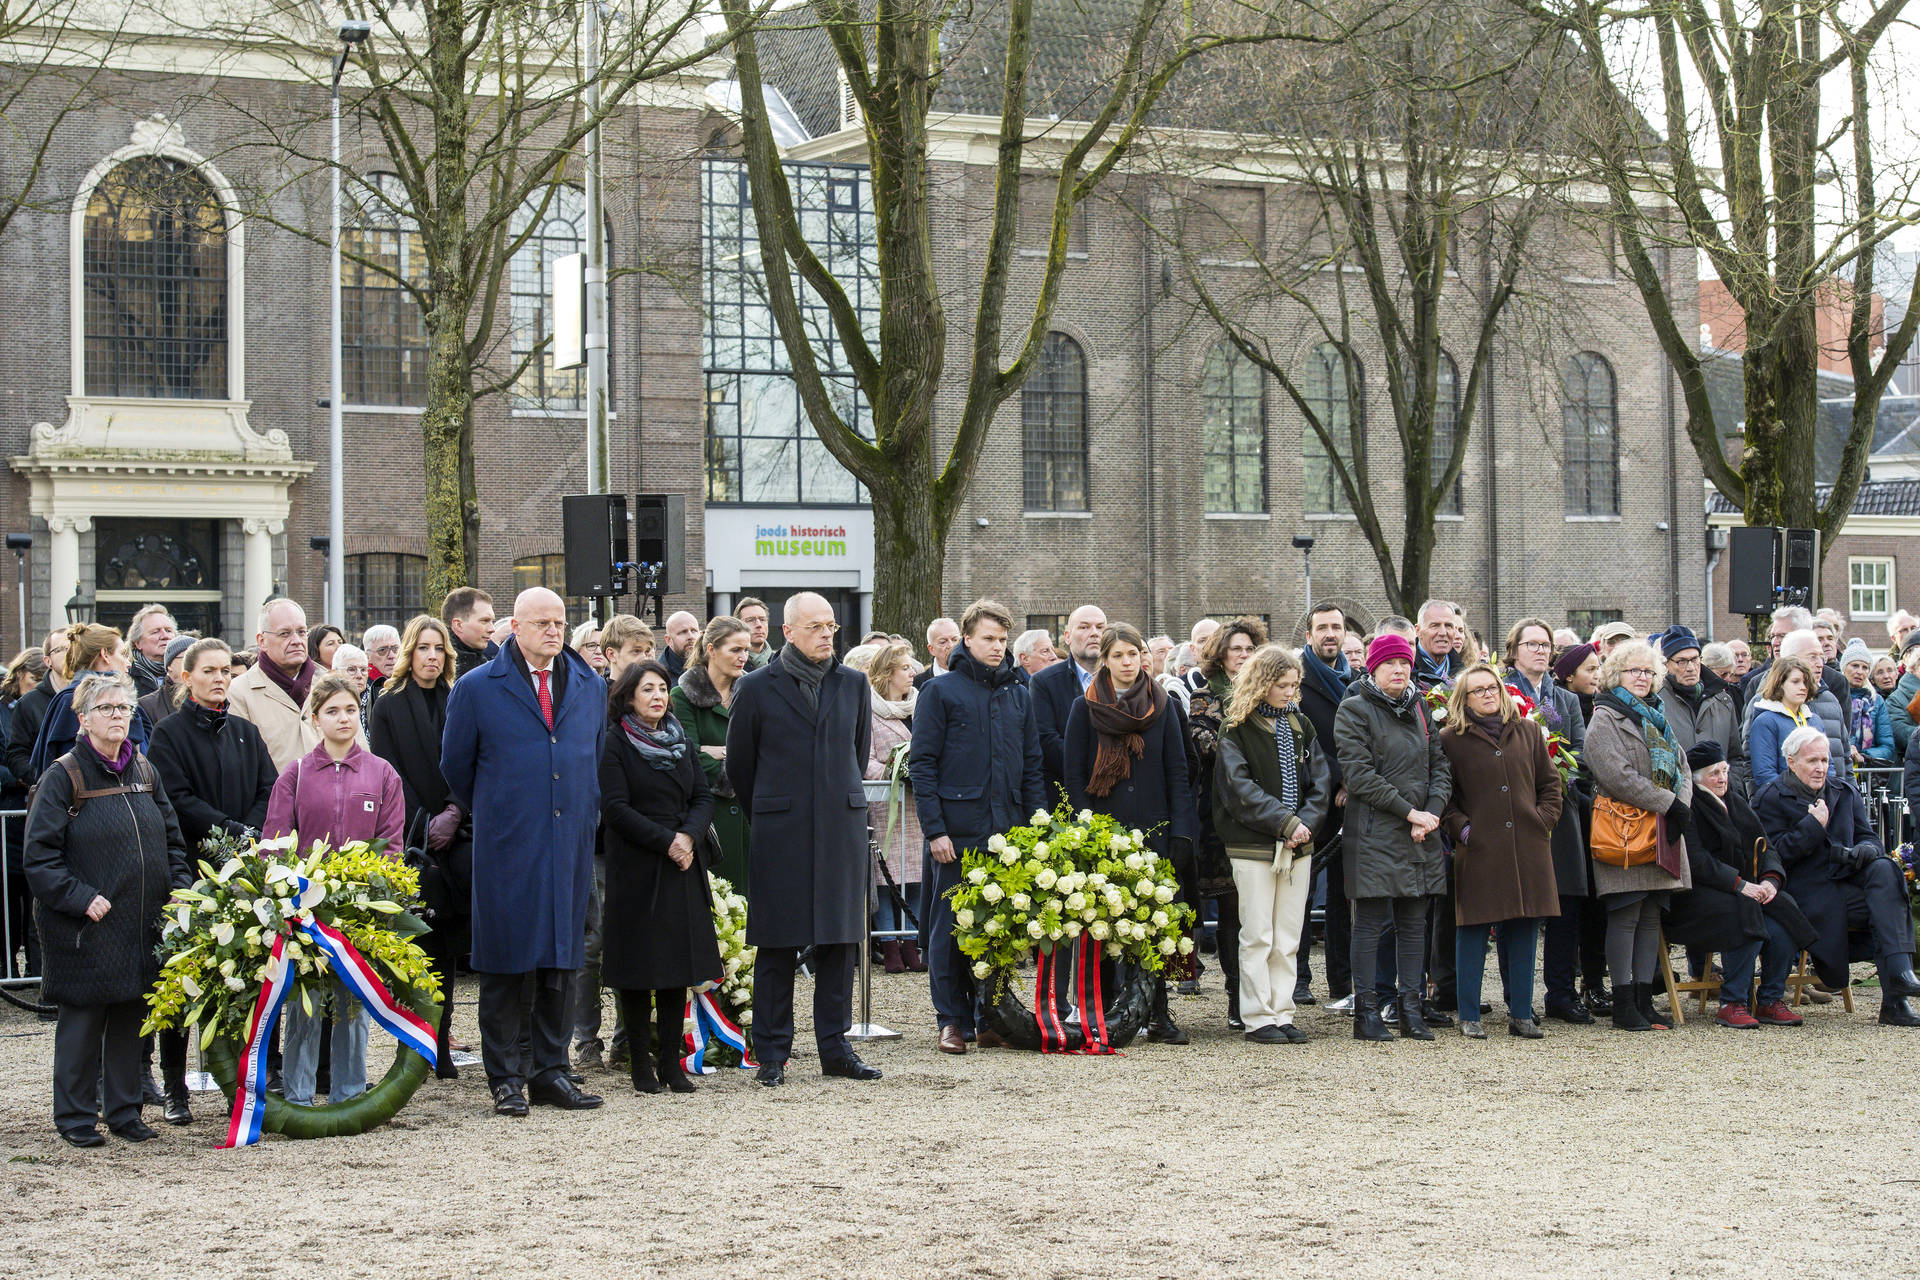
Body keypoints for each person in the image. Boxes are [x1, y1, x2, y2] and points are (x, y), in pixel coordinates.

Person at [441, 588, 607, 1115]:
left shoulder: (589, 685)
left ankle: (551, 1070)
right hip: (508, 844)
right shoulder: (476, 688)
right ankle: (506, 1076)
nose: (554, 631)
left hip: (569, 842)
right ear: (515, 627)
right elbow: (456, 767)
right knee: (506, 961)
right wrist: (504, 809)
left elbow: (594, 757)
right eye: (541, 623)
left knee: (562, 959)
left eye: (560, 622)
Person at [24, 671, 190, 1146]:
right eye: (107, 708)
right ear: (83, 718)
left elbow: (172, 841)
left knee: (130, 1021)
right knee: (82, 1023)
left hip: (141, 922)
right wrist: (79, 897)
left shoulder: (144, 770)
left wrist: (178, 888)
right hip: (86, 926)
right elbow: (39, 857)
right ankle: (76, 1116)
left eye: (124, 708)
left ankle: (124, 1111)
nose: (118, 716)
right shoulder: (64, 776)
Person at [725, 592, 880, 1086]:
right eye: (815, 627)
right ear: (787, 631)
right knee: (777, 944)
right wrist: (774, 809)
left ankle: (836, 1049)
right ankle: (772, 1052)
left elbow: (857, 753)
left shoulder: (853, 683)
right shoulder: (755, 687)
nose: (826, 634)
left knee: (838, 943)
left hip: (839, 829)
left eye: (831, 626)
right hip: (781, 832)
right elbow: (740, 765)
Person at [144, 636, 277, 1122]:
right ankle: (175, 1087)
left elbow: (268, 786)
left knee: (242, 976)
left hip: (243, 869)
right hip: (192, 867)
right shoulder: (168, 734)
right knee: (186, 980)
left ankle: (238, 1082)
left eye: (225, 671)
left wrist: (251, 830)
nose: (220, 678)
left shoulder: (245, 730)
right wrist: (230, 829)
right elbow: (177, 797)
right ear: (187, 677)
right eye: (209, 671)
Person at [262, 674, 406, 1107]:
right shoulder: (296, 774)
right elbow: (276, 842)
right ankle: (298, 1097)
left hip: (358, 909)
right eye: (332, 711)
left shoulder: (382, 773)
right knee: (304, 1003)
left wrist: (371, 891)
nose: (343, 718)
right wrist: (292, 893)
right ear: (315, 718)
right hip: (306, 911)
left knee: (351, 1003)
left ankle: (348, 1094)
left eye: (350, 710)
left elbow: (391, 844)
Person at [909, 600, 1044, 1054]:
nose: (997, 646)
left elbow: (1032, 767)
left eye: (1003, 639)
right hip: (957, 832)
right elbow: (922, 764)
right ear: (967, 639)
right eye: (988, 638)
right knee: (949, 930)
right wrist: (935, 830)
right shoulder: (939, 691)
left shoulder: (1018, 694)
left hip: (1007, 833)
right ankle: (951, 1020)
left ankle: (991, 1017)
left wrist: (1034, 830)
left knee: (998, 929)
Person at [1064, 622, 1198, 1045]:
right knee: (1103, 924)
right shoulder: (1084, 707)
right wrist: (1087, 830)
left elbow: (1178, 770)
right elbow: (1074, 775)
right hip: (1106, 830)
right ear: (1104, 660)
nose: (1128, 662)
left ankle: (1156, 1011)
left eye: (1134, 653)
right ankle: (1102, 1012)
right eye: (1118, 655)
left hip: (1154, 828)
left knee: (1154, 924)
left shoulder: (1163, 704)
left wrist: (1182, 831)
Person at [599, 660, 724, 1095]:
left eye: (662, 688)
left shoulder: (680, 740)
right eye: (647, 689)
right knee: (638, 970)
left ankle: (671, 1063)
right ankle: (640, 1064)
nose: (657, 696)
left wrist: (687, 837)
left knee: (677, 967)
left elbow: (702, 796)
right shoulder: (615, 742)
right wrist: (667, 841)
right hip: (637, 866)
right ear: (628, 697)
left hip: (682, 865)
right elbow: (615, 808)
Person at [1755, 727, 1920, 1026]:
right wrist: (1813, 827)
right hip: (1804, 892)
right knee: (1884, 910)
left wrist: (1865, 851)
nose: (1820, 768)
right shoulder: (1770, 797)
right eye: (1812, 761)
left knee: (1886, 871)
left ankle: (1897, 990)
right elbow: (1772, 857)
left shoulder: (1843, 791)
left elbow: (1870, 838)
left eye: (1824, 760)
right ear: (1791, 762)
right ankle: (1897, 989)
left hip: (1845, 882)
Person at [1333, 633, 1451, 1042]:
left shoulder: (1420, 707)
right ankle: (1366, 1012)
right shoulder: (1354, 708)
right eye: (1390, 663)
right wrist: (1409, 812)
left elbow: (1440, 766)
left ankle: (1411, 1009)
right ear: (1373, 667)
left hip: (1420, 832)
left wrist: (1430, 814)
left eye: (1404, 662)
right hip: (1375, 832)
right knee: (1369, 924)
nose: (1399, 670)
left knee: (1414, 924)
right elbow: (1359, 775)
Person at [1214, 645, 1330, 1044]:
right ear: (1262, 683)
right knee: (1258, 933)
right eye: (1282, 685)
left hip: (1298, 845)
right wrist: (1285, 822)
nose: (1289, 692)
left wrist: (1304, 824)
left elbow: (1320, 781)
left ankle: (1282, 1011)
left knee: (1288, 937)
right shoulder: (1236, 728)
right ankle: (1257, 1016)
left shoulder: (1301, 724)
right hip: (1253, 845)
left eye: (1294, 685)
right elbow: (1238, 787)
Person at [1438, 666, 1562, 1039]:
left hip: (1528, 845)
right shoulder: (1450, 739)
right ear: (1463, 699)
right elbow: (1444, 796)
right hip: (1480, 848)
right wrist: (1464, 829)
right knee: (1472, 929)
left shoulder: (1528, 731)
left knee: (1525, 928)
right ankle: (1469, 1015)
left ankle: (1521, 1014)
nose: (1488, 694)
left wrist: (1543, 820)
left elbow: (1550, 783)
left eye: (1492, 687)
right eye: (1478, 690)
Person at [367, 615, 467, 1077]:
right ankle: (415, 1045)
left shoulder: (458, 697)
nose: (432, 656)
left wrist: (455, 810)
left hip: (458, 835)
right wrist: (426, 820)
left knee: (449, 947)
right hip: (412, 837)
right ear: (410, 652)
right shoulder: (388, 703)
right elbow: (388, 769)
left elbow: (471, 759)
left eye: (439, 648)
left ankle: (442, 1044)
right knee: (417, 947)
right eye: (424, 648)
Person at [1663, 740, 1818, 1028]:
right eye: (1714, 773)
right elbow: (1696, 860)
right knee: (1743, 912)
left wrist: (1770, 880)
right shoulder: (1689, 805)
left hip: (1743, 892)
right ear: (1696, 778)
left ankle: (1770, 999)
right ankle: (1732, 1002)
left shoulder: (1736, 803)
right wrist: (1738, 884)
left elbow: (1766, 846)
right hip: (1695, 897)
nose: (1722, 778)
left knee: (1782, 916)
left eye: (1724, 771)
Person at [1584, 640, 1693, 1032]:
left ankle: (1645, 1001)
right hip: (1625, 830)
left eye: (1648, 671)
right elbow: (1616, 776)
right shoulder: (1605, 718)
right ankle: (1624, 1003)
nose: (1643, 677)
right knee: (1626, 915)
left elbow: (1682, 766)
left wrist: (1681, 803)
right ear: (1617, 674)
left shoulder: (1658, 715)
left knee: (1651, 918)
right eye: (1635, 670)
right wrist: (1669, 803)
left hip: (1662, 828)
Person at [1183, 616, 1265, 1018]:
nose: (1243, 655)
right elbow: (1203, 741)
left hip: (1264, 812)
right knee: (1231, 907)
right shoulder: (1205, 694)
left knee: (1255, 911)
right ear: (1221, 654)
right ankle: (1235, 994)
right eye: (1236, 649)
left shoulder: (1271, 693)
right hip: (1219, 811)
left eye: (1250, 649)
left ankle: (1254, 993)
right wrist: (1253, 751)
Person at [1530, 640, 1608, 1022]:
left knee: (1573, 901)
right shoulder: (1508, 690)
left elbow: (1579, 755)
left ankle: (1566, 990)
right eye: (1589, 668)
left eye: (1544, 644)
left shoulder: (1569, 702)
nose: (1597, 675)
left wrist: (1558, 776)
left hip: (1570, 806)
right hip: (1524, 806)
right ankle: (1519, 997)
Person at [670, 616, 753, 894]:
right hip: (708, 821)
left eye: (746, 650)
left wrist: (713, 750)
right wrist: (738, 762)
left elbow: (768, 750)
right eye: (735, 649)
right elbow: (686, 756)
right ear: (711, 649)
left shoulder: (752, 693)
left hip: (751, 819)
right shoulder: (682, 696)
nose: (743, 657)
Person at [1300, 604, 1356, 1014]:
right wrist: (1336, 776)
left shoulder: (1355, 680)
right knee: (1299, 893)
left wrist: (1352, 779)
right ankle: (1298, 979)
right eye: (1322, 627)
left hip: (1350, 802)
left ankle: (1342, 981)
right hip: (1308, 800)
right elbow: (1302, 740)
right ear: (1309, 635)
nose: (1330, 633)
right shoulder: (1297, 680)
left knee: (1342, 894)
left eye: (1336, 626)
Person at [228, 599, 347, 773]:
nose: (296, 640)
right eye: (285, 634)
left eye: (301, 632)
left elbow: (358, 753)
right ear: (262, 641)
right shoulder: (238, 693)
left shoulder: (334, 685)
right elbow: (240, 766)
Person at [863, 642, 923, 974]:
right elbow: (865, 758)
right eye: (905, 668)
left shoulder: (920, 707)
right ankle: (889, 945)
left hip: (917, 806)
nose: (912, 673)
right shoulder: (869, 711)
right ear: (887, 674)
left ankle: (912, 944)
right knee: (885, 881)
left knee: (916, 878)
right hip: (886, 807)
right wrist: (893, 772)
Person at [28, 624, 153, 778]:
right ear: (105, 654)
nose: (128, 663)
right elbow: (65, 773)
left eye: (122, 708)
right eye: (123, 654)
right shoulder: (72, 700)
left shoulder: (66, 699)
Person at [1, 649, 48, 984]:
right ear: (19, 676)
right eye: (33, 680)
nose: (37, 686)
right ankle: (7, 969)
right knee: (9, 900)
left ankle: (38, 970)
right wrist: (19, 777)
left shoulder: (47, 706)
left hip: (35, 814)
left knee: (37, 898)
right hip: (9, 817)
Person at [1032, 604, 1105, 800]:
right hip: (1068, 795)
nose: (1094, 633)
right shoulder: (1044, 682)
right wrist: (1099, 767)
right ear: (1067, 636)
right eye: (1084, 627)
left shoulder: (1125, 680)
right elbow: (1047, 740)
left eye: (1100, 627)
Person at [1657, 626, 1746, 788]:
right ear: (1667, 664)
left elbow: (1736, 757)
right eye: (1681, 661)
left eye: (1694, 659)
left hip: (1719, 798)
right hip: (1678, 798)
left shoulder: (1723, 700)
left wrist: (1731, 787)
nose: (1690, 667)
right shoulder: (1656, 702)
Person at [1746, 657, 1819, 795]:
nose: (1803, 687)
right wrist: (1795, 798)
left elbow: (1828, 765)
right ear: (1779, 684)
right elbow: (1764, 773)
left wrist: (1824, 795)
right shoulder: (1765, 721)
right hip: (1782, 800)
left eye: (1806, 682)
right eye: (1795, 682)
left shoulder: (1815, 720)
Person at [6, 632, 67, 787]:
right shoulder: (28, 703)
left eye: (73, 648)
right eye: (61, 649)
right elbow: (17, 754)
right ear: (48, 660)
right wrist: (42, 779)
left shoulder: (93, 695)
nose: (69, 654)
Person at [1839, 638, 1895, 767]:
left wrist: (1863, 756)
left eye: (1865, 667)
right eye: (1855, 665)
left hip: (1866, 771)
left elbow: (1887, 747)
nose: (1860, 671)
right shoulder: (1833, 697)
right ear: (1844, 668)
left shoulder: (1876, 701)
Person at [136, 636, 195, 730]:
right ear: (169, 665)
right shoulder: (147, 705)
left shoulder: (214, 699)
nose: (195, 665)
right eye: (188, 658)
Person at [442, 587, 499, 679]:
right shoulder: (441, 669)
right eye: (484, 621)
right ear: (458, 625)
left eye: (492, 621)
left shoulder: (482, 661)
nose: (492, 629)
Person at [125, 605, 177, 700]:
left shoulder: (188, 676)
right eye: (155, 632)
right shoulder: (126, 680)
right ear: (138, 643)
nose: (165, 636)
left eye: (168, 631)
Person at [1413, 600, 1463, 691]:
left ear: (1455, 630)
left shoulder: (1465, 675)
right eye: (1435, 626)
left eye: (1448, 625)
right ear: (1418, 630)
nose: (1443, 632)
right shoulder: (1406, 672)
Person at [331, 643, 373, 733]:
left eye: (363, 670)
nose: (359, 675)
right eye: (351, 670)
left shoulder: (376, 699)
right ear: (335, 672)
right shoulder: (326, 703)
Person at [913, 617, 961, 689]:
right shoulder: (918, 684)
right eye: (943, 642)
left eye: (955, 640)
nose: (951, 645)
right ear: (931, 649)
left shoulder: (974, 675)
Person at [735, 597, 774, 670]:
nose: (759, 625)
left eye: (762, 619)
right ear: (738, 627)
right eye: (750, 620)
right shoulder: (731, 664)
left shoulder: (781, 663)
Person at [661, 611, 701, 679]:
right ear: (668, 640)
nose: (691, 637)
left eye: (694, 631)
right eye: (683, 632)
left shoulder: (712, 666)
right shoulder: (659, 675)